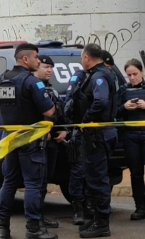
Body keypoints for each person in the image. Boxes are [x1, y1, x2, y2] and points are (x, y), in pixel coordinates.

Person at [0, 43, 58, 239]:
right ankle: (33, 228)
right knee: (33, 184)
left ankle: (2, 228)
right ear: (26, 59)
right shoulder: (32, 82)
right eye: (37, 57)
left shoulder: (0, 80)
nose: (39, 61)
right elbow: (49, 111)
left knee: (9, 183)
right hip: (30, 140)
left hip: (10, 139)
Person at [72, 43, 118, 238]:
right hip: (102, 134)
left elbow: (101, 101)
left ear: (87, 58)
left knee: (97, 179)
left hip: (97, 135)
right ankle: (98, 218)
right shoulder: (106, 73)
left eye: (82, 57)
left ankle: (102, 223)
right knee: (95, 178)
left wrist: (86, 119)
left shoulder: (98, 76)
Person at [33, 55, 68, 229]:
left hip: (52, 143)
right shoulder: (31, 88)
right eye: (46, 67)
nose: (49, 70)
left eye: (51, 68)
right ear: (36, 66)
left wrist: (64, 130)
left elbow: (59, 114)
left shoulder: (51, 90)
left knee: (44, 181)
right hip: (37, 142)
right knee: (37, 182)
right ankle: (35, 219)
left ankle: (40, 215)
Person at [64, 68, 94, 225]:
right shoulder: (79, 76)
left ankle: (89, 206)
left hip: (95, 133)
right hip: (79, 131)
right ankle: (78, 209)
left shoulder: (97, 76)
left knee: (91, 171)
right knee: (78, 171)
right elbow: (68, 104)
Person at [116, 58, 145, 220]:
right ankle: (140, 207)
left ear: (142, 72)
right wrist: (124, 107)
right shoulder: (123, 90)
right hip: (131, 136)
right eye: (129, 75)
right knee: (136, 173)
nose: (132, 78)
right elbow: (113, 112)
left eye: (135, 74)